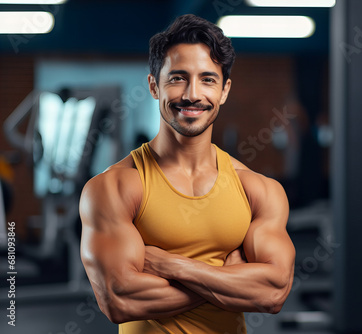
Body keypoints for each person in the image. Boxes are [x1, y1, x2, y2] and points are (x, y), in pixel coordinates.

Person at [79, 14, 295, 334]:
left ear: (224, 90)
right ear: (154, 86)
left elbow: (273, 292)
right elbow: (119, 300)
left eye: (208, 79)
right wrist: (228, 278)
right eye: (178, 78)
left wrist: (171, 266)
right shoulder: (115, 187)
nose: (193, 94)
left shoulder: (257, 189)